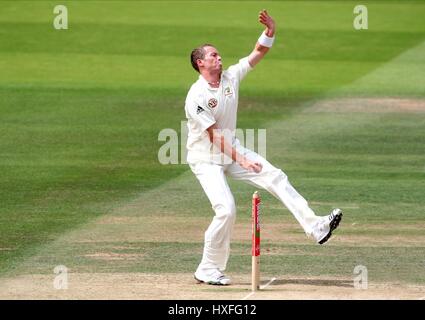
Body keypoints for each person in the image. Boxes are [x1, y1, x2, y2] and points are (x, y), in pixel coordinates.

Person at [184, 10, 342, 285]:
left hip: (230, 150)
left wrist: (269, 32)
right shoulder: (196, 96)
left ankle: (316, 227)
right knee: (226, 210)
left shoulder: (230, 78)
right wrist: (243, 161)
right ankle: (208, 268)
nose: (219, 57)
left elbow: (256, 53)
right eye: (213, 55)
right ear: (200, 63)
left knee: (274, 175)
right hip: (206, 159)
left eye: (219, 55)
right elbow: (214, 136)